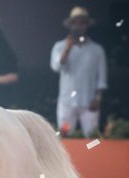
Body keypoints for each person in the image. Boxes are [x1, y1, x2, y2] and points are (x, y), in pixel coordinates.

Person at [50, 6, 107, 136]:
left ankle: (93, 157)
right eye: (75, 23)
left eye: (82, 23)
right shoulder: (60, 46)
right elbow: (56, 67)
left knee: (93, 138)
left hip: (89, 101)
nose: (78, 26)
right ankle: (67, 157)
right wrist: (67, 48)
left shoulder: (97, 50)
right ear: (70, 25)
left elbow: (101, 79)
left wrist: (98, 98)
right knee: (65, 137)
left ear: (87, 25)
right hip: (67, 101)